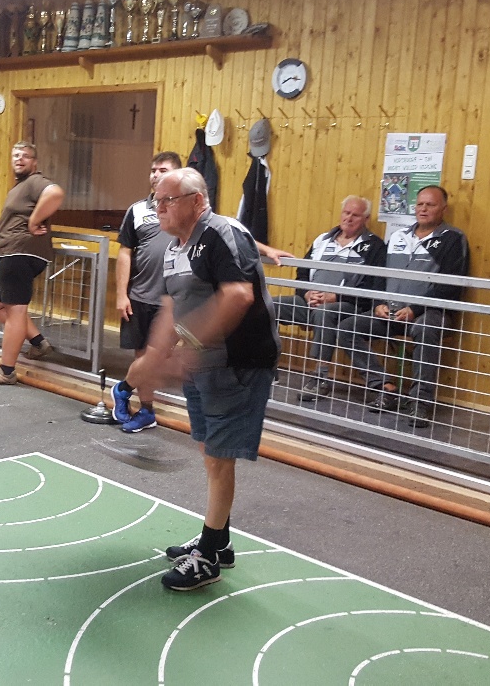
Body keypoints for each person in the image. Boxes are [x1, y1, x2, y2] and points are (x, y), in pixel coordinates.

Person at [124, 167, 279, 591]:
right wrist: (152, 360)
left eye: (167, 200)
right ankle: (219, 540)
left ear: (196, 200)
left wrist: (189, 346)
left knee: (218, 456)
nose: (158, 209)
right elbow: (171, 310)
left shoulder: (222, 233)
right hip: (204, 363)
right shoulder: (174, 248)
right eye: (155, 201)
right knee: (210, 452)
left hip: (237, 363)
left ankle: (208, 556)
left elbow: (238, 295)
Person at [335, 185, 468, 427]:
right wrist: (378, 303)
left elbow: (451, 285)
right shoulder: (398, 237)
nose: (423, 209)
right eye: (420, 204)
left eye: (430, 205)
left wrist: (415, 309)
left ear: (443, 209)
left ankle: (420, 402)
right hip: (391, 313)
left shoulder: (453, 238)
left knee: (426, 328)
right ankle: (385, 387)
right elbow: (379, 277)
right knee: (347, 327)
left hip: (429, 313)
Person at [275, 195, 387, 401]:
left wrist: (334, 296)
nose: (349, 218)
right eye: (346, 213)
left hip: (348, 306)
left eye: (355, 215)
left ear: (366, 219)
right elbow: (302, 273)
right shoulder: (322, 240)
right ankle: (265, 365)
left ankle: (320, 377)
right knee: (269, 306)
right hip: (310, 301)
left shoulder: (375, 247)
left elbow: (373, 288)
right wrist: (307, 293)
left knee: (325, 313)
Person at [0, 142, 65, 385]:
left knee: (16, 312)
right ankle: (38, 343)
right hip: (9, 253)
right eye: (16, 155)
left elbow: (55, 193)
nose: (19, 159)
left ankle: (6, 371)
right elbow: (16, 212)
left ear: (34, 162)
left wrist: (34, 221)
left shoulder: (35, 181)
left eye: (25, 156)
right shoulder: (20, 186)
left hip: (20, 253)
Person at [109, 151, 182, 434]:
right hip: (140, 296)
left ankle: (123, 389)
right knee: (142, 356)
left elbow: (222, 233)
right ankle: (147, 411)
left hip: (173, 301)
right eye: (153, 170)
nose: (155, 175)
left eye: (163, 170)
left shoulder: (188, 209)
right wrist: (121, 294)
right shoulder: (137, 210)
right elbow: (125, 252)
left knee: (157, 356)